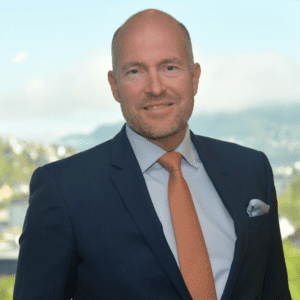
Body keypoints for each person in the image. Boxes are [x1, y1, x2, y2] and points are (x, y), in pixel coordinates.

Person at [13, 8, 291, 300]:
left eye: (170, 67)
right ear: (114, 85)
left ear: (194, 77)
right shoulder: (64, 190)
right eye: (135, 71)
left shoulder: (251, 169)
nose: (156, 88)